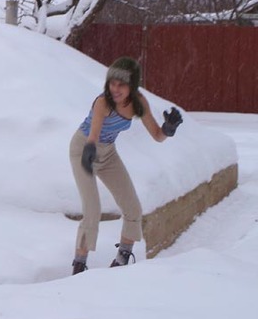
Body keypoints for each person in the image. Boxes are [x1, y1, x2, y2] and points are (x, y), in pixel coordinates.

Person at [69, 56, 182, 275]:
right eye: (112, 83)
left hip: (108, 153)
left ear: (132, 86)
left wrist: (169, 128)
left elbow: (158, 136)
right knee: (92, 210)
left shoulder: (139, 103)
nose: (116, 89)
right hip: (84, 149)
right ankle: (78, 267)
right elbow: (93, 135)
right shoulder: (103, 102)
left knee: (133, 209)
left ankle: (120, 261)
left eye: (122, 84)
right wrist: (90, 150)